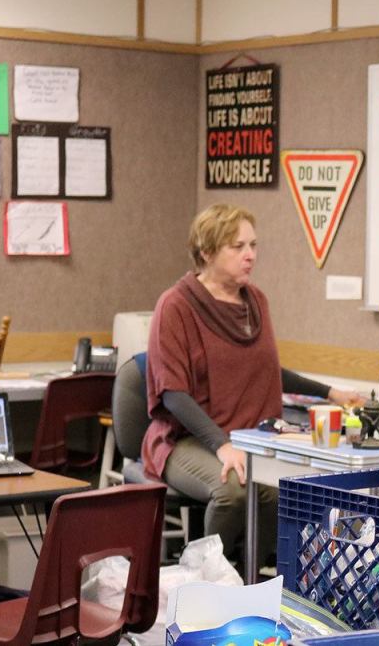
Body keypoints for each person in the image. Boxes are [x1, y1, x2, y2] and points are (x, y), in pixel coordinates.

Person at [144, 203, 362, 565]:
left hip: (248, 437)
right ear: (207, 252)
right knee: (232, 490)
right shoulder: (176, 306)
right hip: (187, 439)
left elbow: (266, 369)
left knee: (284, 491)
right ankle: (203, 579)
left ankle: (250, 578)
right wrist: (221, 445)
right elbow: (173, 393)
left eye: (253, 245)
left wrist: (330, 393)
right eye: (238, 247)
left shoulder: (256, 302)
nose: (250, 256)